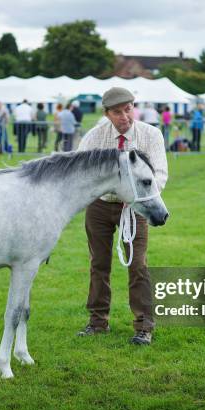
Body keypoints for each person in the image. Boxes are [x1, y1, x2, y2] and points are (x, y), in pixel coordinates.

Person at [77, 87, 168, 345]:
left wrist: (136, 198)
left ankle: (143, 327)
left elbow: (159, 174)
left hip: (136, 208)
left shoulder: (151, 135)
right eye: (117, 112)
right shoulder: (94, 137)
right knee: (99, 264)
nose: (124, 116)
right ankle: (97, 322)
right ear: (106, 114)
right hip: (99, 206)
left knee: (137, 265)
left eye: (128, 109)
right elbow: (81, 173)